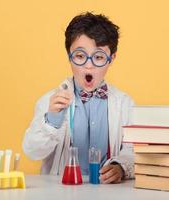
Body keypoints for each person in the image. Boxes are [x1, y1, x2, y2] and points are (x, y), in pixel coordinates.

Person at [22, 12, 135, 184]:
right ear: (69, 56)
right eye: (80, 56)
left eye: (98, 57)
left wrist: (120, 167)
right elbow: (32, 152)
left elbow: (132, 150)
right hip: (61, 191)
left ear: (111, 59)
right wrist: (51, 121)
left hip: (109, 192)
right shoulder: (50, 101)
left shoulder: (125, 104)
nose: (88, 66)